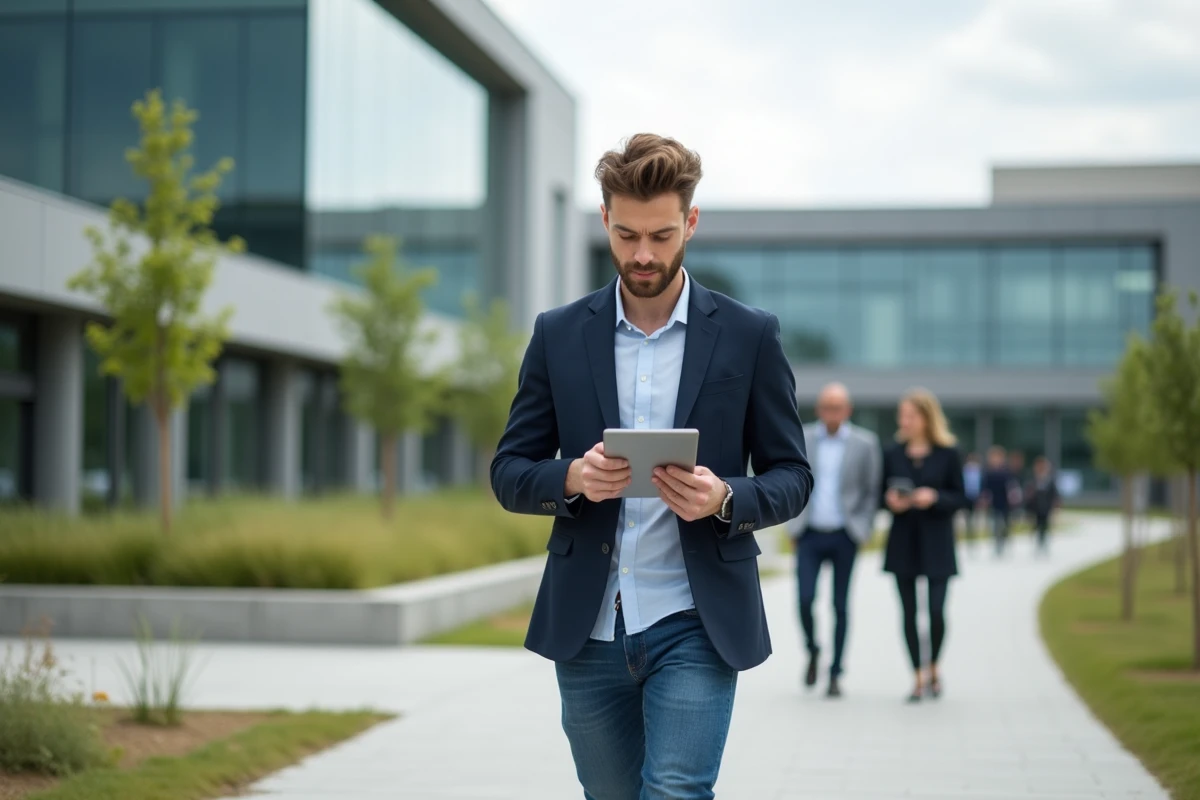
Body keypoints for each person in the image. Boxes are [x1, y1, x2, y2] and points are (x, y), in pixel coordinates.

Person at [490, 133, 813, 800]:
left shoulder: (750, 334)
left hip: (697, 620)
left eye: (662, 236)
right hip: (589, 627)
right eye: (628, 234)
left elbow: (792, 475)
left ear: (690, 222)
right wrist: (572, 479)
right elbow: (509, 469)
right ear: (605, 220)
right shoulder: (557, 333)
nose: (643, 255)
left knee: (674, 792)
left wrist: (725, 497)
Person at [784, 382, 881, 698]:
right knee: (804, 600)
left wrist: (863, 529)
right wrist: (791, 526)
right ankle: (813, 650)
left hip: (845, 534)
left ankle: (836, 671)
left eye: (837, 407)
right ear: (819, 409)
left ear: (848, 410)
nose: (831, 413)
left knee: (840, 605)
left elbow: (871, 491)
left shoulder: (865, 444)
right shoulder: (804, 438)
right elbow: (789, 478)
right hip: (808, 534)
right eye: (826, 407)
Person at [881, 388, 965, 703]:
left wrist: (935, 498)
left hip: (938, 542)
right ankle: (917, 676)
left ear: (926, 418)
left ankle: (934, 667)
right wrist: (891, 502)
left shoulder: (949, 452)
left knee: (936, 611)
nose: (903, 421)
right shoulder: (892, 452)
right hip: (903, 541)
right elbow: (880, 495)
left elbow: (962, 497)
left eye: (910, 415)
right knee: (908, 613)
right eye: (901, 415)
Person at [982, 446, 1014, 557]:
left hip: (1005, 502)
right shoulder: (988, 472)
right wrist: (985, 498)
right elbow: (985, 487)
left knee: (1005, 524)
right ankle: (997, 545)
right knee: (995, 524)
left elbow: (1011, 486)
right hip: (994, 502)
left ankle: (1004, 541)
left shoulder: (1006, 471)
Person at [1025, 456, 1060, 553]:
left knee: (1045, 526)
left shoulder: (1049, 480)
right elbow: (1028, 495)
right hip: (1035, 508)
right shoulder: (1032, 480)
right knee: (1036, 526)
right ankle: (1038, 543)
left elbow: (1054, 494)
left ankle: (1043, 543)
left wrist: (1056, 505)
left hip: (1046, 507)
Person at [961, 452, 983, 546]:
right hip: (967, 497)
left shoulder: (978, 470)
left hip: (975, 496)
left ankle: (973, 537)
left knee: (974, 518)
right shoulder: (965, 470)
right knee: (968, 518)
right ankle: (969, 537)